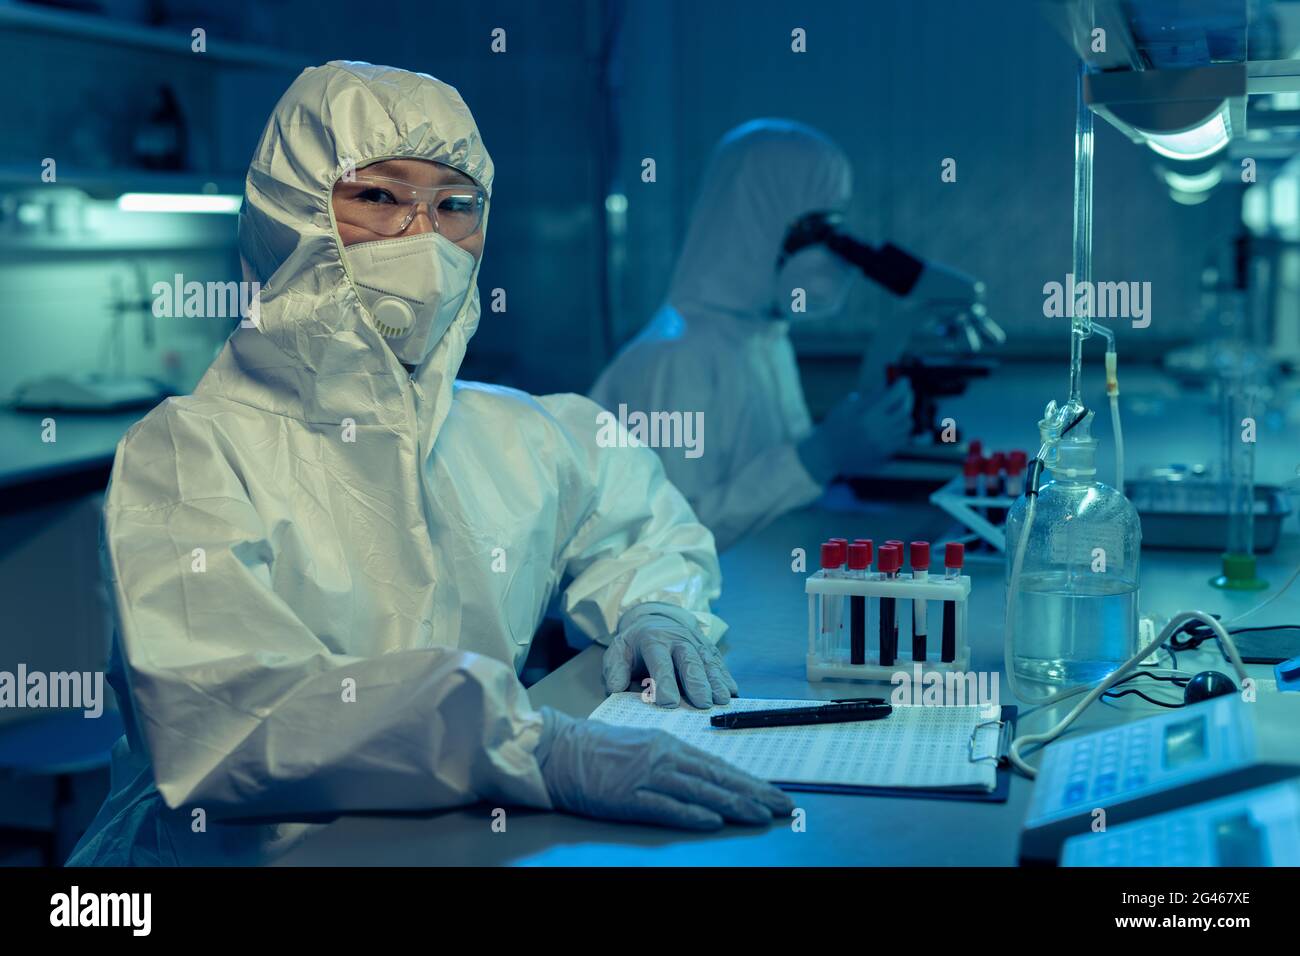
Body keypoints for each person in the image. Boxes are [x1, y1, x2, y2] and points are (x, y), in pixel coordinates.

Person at [68, 62, 791, 866]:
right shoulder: (189, 453)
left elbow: (638, 522)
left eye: (455, 205)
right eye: (378, 197)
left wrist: (656, 609)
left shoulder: (518, 432)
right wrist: (529, 747)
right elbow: (233, 716)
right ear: (291, 211)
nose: (424, 237)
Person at [590, 120, 983, 551]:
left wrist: (842, 448)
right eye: (819, 232)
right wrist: (820, 457)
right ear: (757, 227)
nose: (831, 254)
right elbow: (678, 535)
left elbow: (782, 497)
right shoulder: (676, 357)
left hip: (753, 583)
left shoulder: (764, 337)